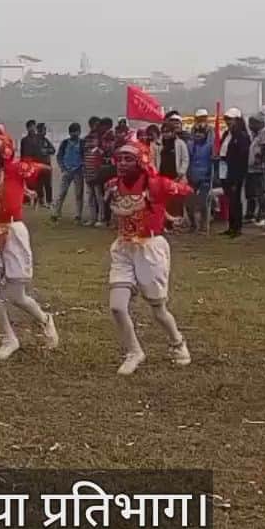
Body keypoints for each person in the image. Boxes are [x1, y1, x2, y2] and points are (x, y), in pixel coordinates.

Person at [0, 127, 60, 360]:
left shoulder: (16, 168)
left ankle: (45, 319)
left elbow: (44, 168)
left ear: (3, 154)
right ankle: (9, 338)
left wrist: (26, 185)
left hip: (13, 232)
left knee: (17, 296)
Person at [105, 139, 194, 375]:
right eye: (119, 159)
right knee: (117, 306)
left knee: (158, 309)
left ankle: (177, 342)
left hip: (150, 247)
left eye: (128, 159)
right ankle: (134, 352)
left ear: (141, 161)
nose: (122, 163)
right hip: (123, 247)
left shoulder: (157, 184)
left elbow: (186, 191)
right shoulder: (114, 185)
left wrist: (168, 211)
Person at [219, 109, 252, 237]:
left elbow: (242, 157)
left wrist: (237, 173)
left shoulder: (242, 136)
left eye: (230, 119)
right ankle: (231, 226)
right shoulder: (227, 134)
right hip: (224, 168)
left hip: (235, 171)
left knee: (235, 199)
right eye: (227, 119)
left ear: (237, 120)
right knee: (229, 198)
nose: (228, 122)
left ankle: (237, 227)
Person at [185, 110, 215, 234]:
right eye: (196, 133)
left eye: (201, 133)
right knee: (189, 203)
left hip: (205, 177)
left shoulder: (210, 146)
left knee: (203, 203)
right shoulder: (190, 145)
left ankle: (203, 226)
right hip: (191, 176)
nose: (198, 135)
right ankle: (193, 224)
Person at [51, 122, 84, 221]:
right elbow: (59, 156)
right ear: (69, 133)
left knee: (78, 194)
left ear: (79, 132)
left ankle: (78, 215)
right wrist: (63, 167)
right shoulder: (65, 143)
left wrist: (82, 166)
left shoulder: (82, 143)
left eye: (76, 132)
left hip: (78, 171)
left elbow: (85, 156)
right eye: (72, 132)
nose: (74, 134)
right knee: (62, 192)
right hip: (67, 171)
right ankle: (56, 212)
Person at [20, 120, 56, 207]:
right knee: (36, 184)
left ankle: (48, 201)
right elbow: (22, 153)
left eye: (34, 127)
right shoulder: (24, 140)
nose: (33, 129)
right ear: (28, 128)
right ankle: (37, 201)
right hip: (31, 165)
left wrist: (45, 151)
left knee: (47, 184)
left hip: (43, 164)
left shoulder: (41, 139)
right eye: (31, 127)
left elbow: (52, 150)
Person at [80, 117, 107, 226]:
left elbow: (102, 156)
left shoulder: (101, 144)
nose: (95, 127)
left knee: (99, 196)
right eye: (93, 124)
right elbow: (83, 158)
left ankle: (101, 219)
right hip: (88, 172)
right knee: (90, 197)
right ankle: (92, 218)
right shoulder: (86, 144)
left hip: (97, 173)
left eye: (97, 125)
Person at [246, 115, 265, 226]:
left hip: (260, 168)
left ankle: (263, 215)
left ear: (260, 123)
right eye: (250, 123)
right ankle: (250, 214)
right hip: (250, 168)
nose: (250, 125)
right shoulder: (251, 134)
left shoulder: (264, 133)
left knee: (261, 192)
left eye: (253, 123)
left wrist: (259, 158)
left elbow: (264, 149)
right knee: (250, 193)